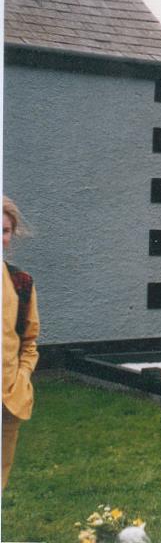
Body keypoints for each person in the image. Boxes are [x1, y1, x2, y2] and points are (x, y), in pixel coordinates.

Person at [2, 196, 40, 489]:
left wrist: (22, 377)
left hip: (7, 401)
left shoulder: (21, 282)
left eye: (4, 230)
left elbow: (29, 341)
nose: (0, 237)